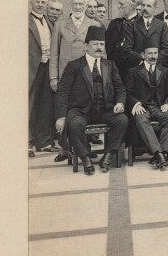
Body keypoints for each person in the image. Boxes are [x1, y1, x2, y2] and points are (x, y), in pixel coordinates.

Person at [54, 26, 127, 175]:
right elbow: (62, 92)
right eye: (95, 44)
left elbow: (120, 88)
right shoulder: (74, 66)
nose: (99, 47)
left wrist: (120, 102)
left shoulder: (110, 65)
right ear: (86, 45)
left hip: (105, 110)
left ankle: (107, 156)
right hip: (81, 111)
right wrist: (61, 116)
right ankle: (85, 157)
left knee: (122, 120)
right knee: (74, 124)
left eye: (101, 44)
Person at [125, 45, 168, 170]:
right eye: (150, 53)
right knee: (142, 121)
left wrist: (167, 103)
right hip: (142, 106)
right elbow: (127, 92)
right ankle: (160, 154)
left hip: (159, 106)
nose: (153, 56)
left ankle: (161, 154)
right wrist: (135, 104)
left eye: (155, 53)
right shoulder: (133, 71)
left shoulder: (165, 71)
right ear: (143, 55)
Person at [29, 0, 54, 155]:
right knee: (30, 104)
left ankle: (43, 141)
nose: (40, 4)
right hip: (32, 67)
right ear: (32, 3)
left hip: (47, 66)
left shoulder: (50, 22)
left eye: (43, 2)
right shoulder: (24, 21)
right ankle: (27, 142)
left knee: (46, 104)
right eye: (37, 1)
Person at [122, 0, 168, 68]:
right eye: (143, 5)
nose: (145, 8)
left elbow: (167, 49)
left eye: (148, 6)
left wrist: (153, 61)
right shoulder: (132, 25)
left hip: (156, 67)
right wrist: (142, 60)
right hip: (137, 66)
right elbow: (127, 48)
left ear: (155, 8)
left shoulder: (162, 25)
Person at [106, 0, 140, 81]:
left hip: (135, 68)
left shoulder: (142, 23)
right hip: (115, 69)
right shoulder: (114, 23)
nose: (118, 6)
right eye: (118, 4)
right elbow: (108, 46)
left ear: (131, 6)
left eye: (121, 4)